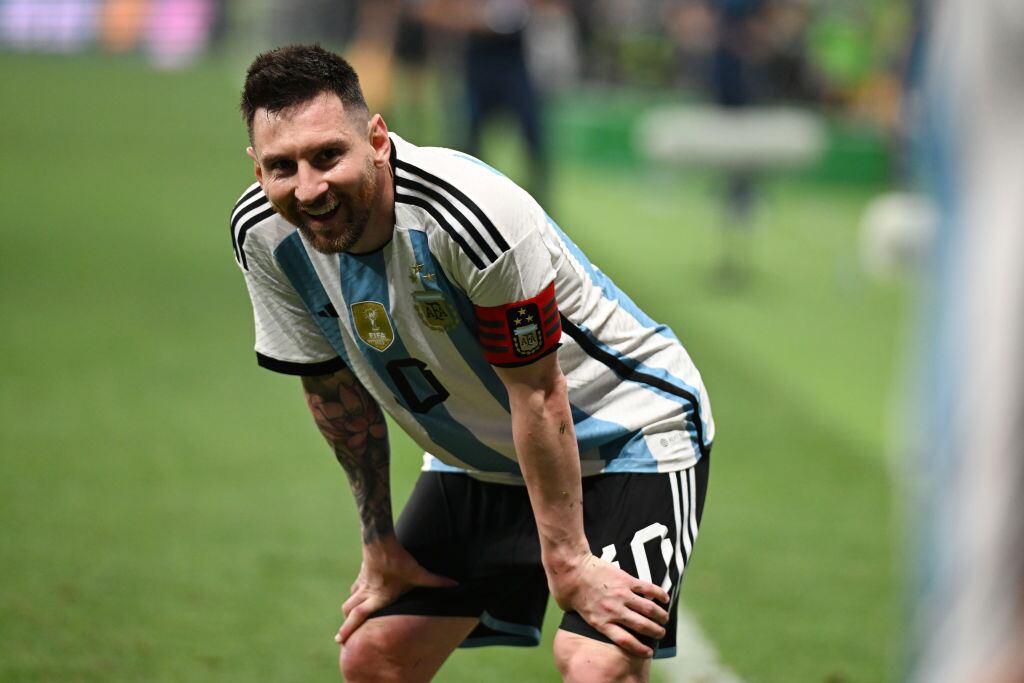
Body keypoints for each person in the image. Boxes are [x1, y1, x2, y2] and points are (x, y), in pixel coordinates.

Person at [230, 44, 714, 683]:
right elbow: (333, 391)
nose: (310, 189)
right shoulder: (263, 234)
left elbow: (539, 395)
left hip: (627, 430)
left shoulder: (467, 214)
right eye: (281, 166)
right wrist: (379, 544)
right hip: (483, 456)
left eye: (328, 156)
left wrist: (567, 560)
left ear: (376, 138)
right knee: (374, 658)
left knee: (595, 663)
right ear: (256, 166)